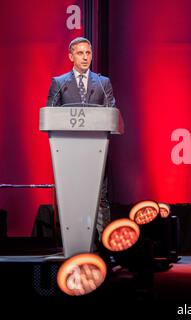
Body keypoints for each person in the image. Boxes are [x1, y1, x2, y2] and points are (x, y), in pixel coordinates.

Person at [46, 37, 116, 240]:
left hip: (96, 150)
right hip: (68, 151)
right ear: (71, 56)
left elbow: (112, 112)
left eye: (88, 53)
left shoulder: (103, 83)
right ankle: (74, 242)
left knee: (100, 197)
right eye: (80, 53)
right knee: (72, 198)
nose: (85, 58)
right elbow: (50, 114)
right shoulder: (59, 83)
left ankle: (105, 244)